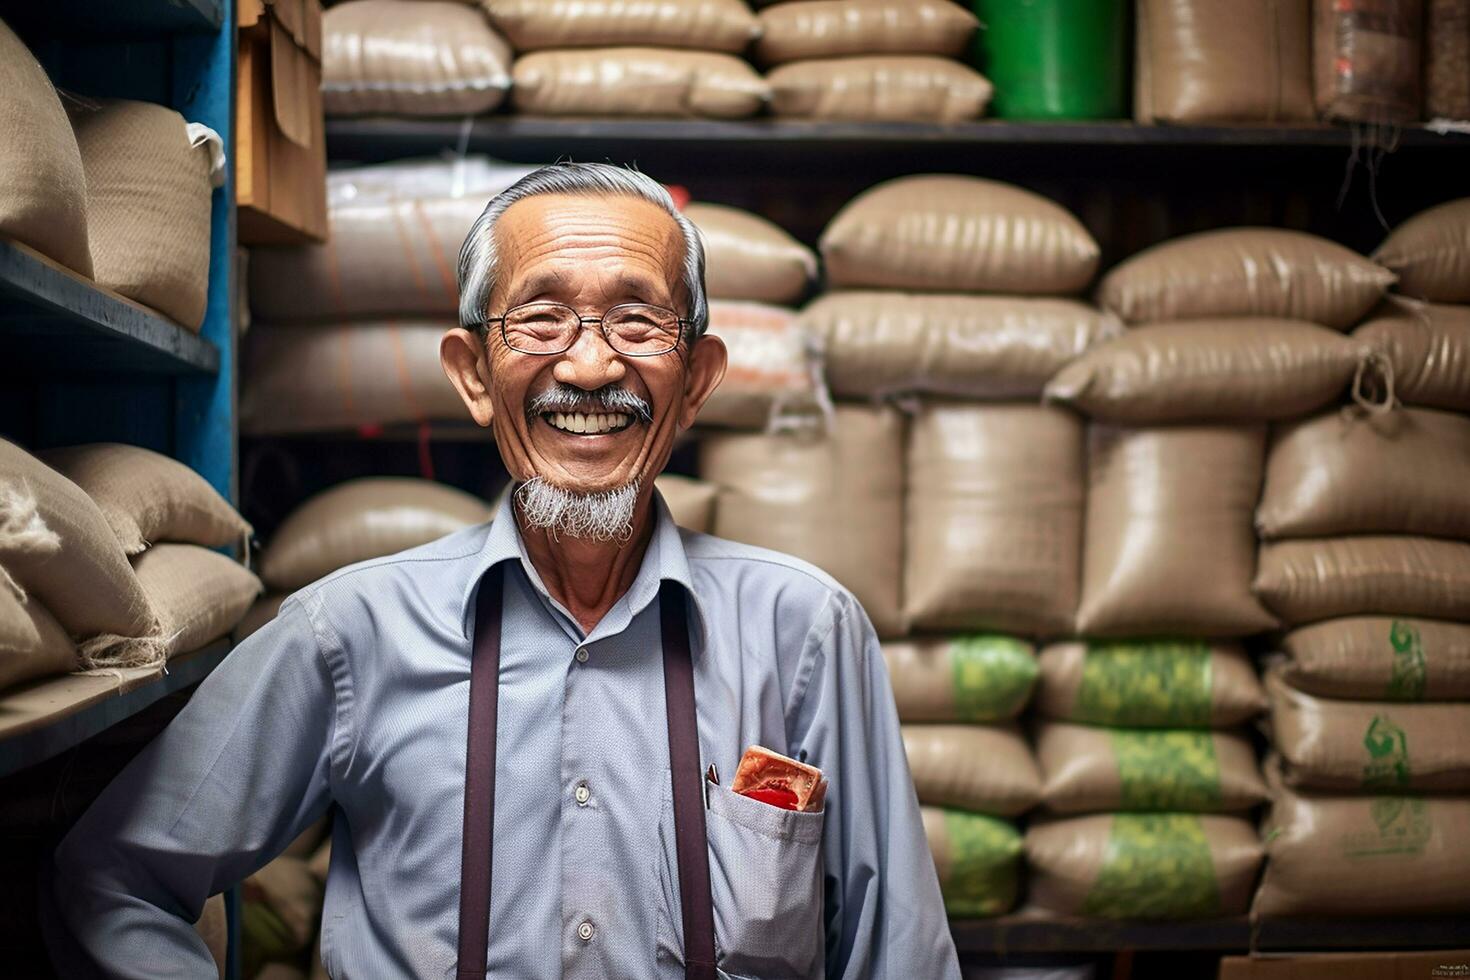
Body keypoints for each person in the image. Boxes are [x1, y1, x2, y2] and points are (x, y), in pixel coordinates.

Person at [47, 163, 961, 979]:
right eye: (541, 317)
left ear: (698, 380)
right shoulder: (352, 633)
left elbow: (901, 956)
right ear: (473, 374)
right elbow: (115, 881)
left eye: (639, 320)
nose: (594, 364)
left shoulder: (805, 631)